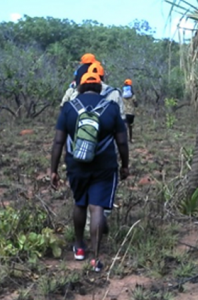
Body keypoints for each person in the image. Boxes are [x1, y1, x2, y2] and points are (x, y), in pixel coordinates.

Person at [51, 72, 129, 272]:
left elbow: (59, 141)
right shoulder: (110, 108)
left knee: (80, 203)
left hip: (76, 165)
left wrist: (53, 169)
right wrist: (125, 165)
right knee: (97, 208)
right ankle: (96, 258)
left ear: (80, 86)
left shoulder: (69, 108)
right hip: (104, 166)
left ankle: (79, 248)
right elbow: (122, 141)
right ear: (99, 87)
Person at [122, 79, 137, 143]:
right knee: (130, 127)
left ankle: (124, 139)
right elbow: (136, 104)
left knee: (124, 127)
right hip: (131, 113)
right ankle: (130, 139)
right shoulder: (133, 95)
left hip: (124, 112)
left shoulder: (122, 95)